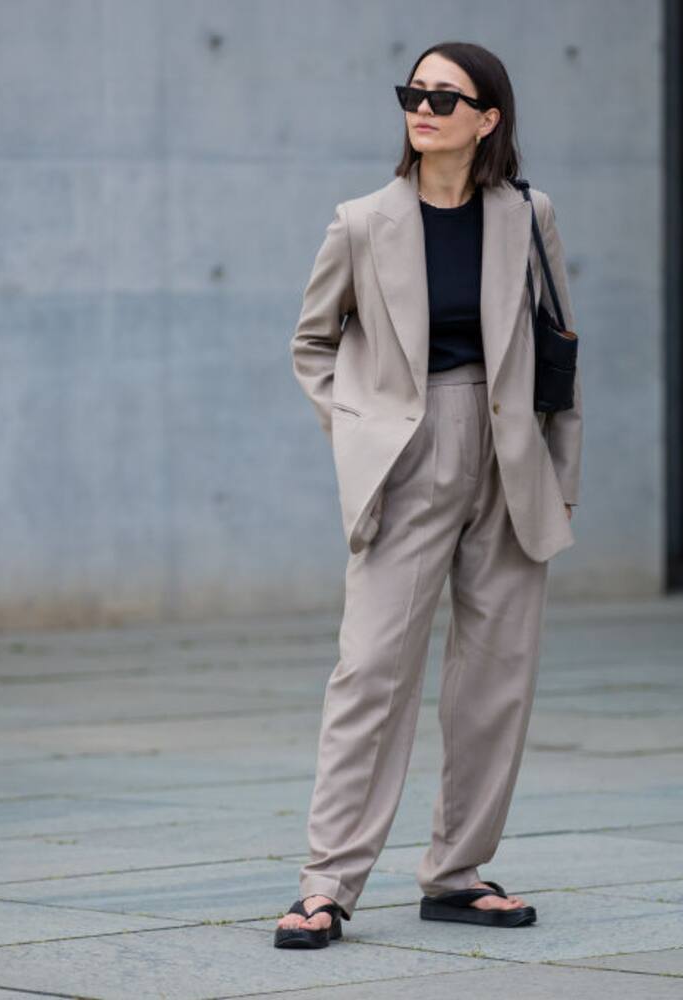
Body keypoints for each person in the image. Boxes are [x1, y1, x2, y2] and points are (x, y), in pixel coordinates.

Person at [275, 40, 582, 949]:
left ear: (487, 120)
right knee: (371, 671)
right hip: (408, 453)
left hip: (512, 453)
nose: (423, 108)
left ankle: (456, 873)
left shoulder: (528, 215)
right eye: (414, 92)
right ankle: (327, 885)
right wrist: (360, 433)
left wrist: (561, 478)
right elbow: (312, 343)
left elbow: (560, 349)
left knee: (495, 680)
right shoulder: (362, 222)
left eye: (446, 98)